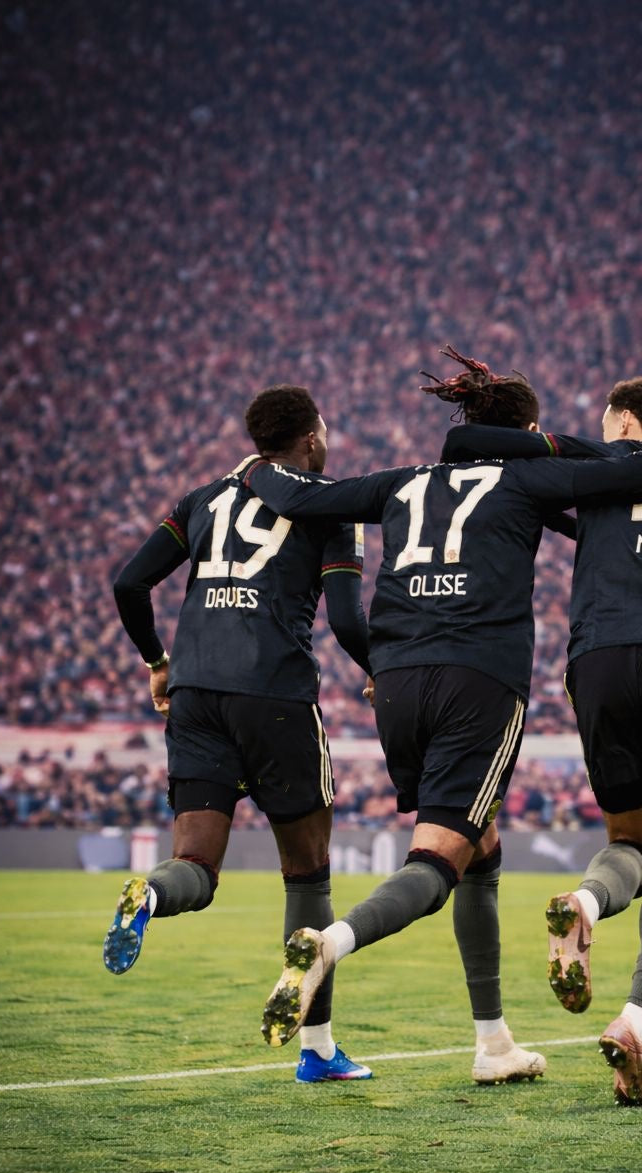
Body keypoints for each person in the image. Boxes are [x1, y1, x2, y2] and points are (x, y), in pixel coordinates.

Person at [250, 348, 642, 1083]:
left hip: (396, 683)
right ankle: (331, 944)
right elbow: (640, 471)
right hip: (478, 680)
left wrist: (255, 470)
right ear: (527, 431)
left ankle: (494, 1045)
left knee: (481, 851)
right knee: (437, 862)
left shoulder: (402, 481)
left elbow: (302, 501)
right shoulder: (529, 476)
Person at [444, 375, 642, 1105]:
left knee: (629, 839)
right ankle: (636, 1021)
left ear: (623, 420)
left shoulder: (596, 475)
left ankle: (588, 905)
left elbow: (479, 449)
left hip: (599, 661)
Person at [105, 384, 376, 1084]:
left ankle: (150, 896)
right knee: (308, 873)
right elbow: (347, 620)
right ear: (310, 439)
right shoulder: (331, 503)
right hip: (276, 694)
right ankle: (318, 1050)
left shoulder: (200, 500)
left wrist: (158, 662)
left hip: (195, 695)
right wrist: (381, 670)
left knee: (196, 867)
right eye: (324, 430)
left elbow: (130, 584)